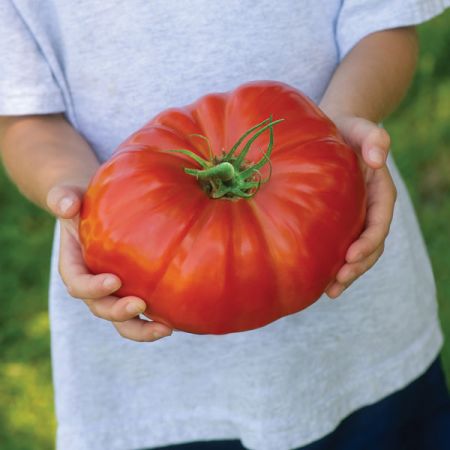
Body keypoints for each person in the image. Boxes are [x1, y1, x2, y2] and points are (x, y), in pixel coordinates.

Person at [1, 1, 449, 449]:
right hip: (152, 389)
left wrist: (341, 124)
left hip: (361, 342)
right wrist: (79, 196)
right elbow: (23, 115)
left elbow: (384, 26)